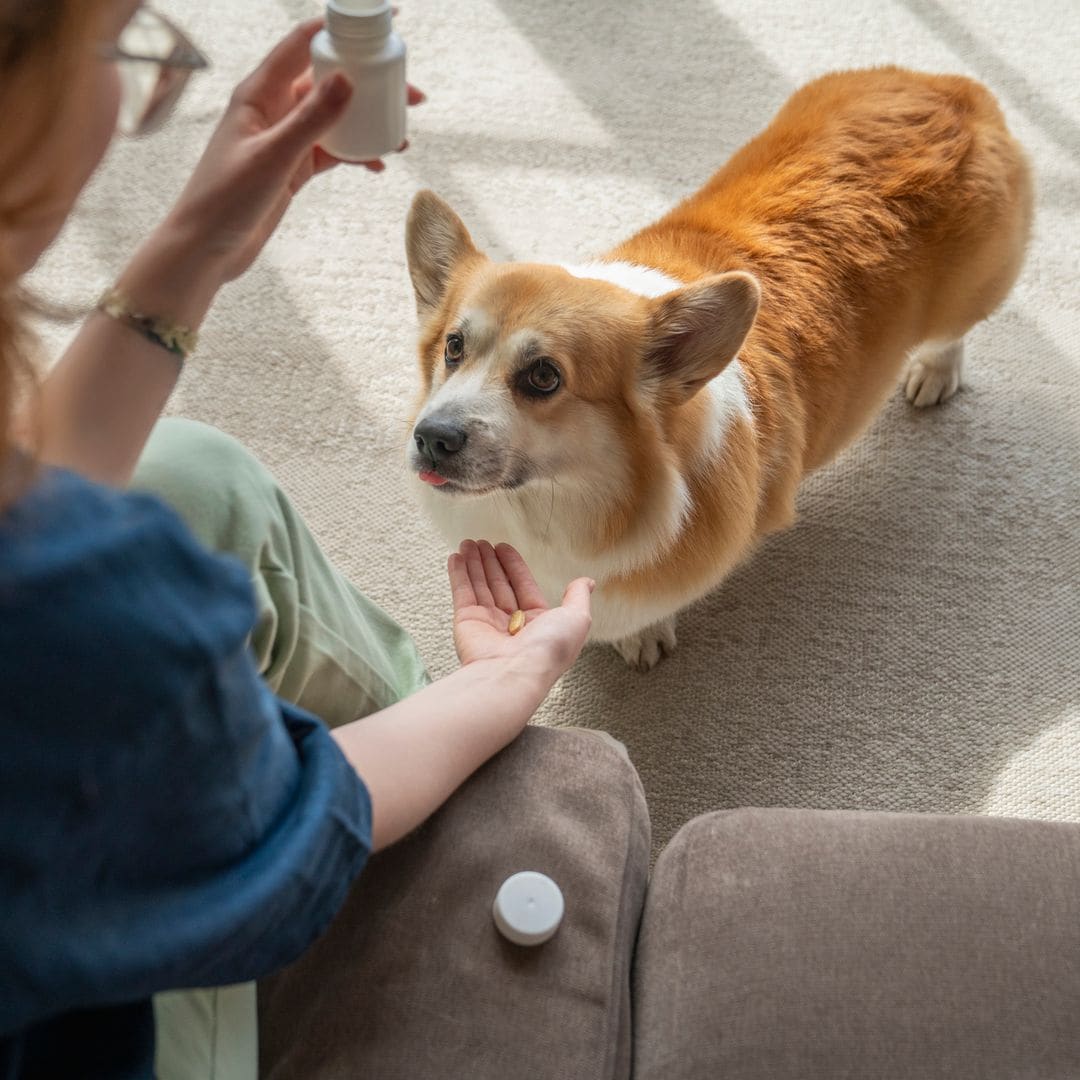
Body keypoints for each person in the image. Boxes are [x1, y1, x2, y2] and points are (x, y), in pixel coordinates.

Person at [0, 3, 594, 1077]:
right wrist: (503, 688)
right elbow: (286, 831)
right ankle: (453, 748)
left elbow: (27, 496)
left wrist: (191, 249)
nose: (134, 85)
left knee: (190, 471)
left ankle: (409, 705)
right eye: (121, 45)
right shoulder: (83, 608)